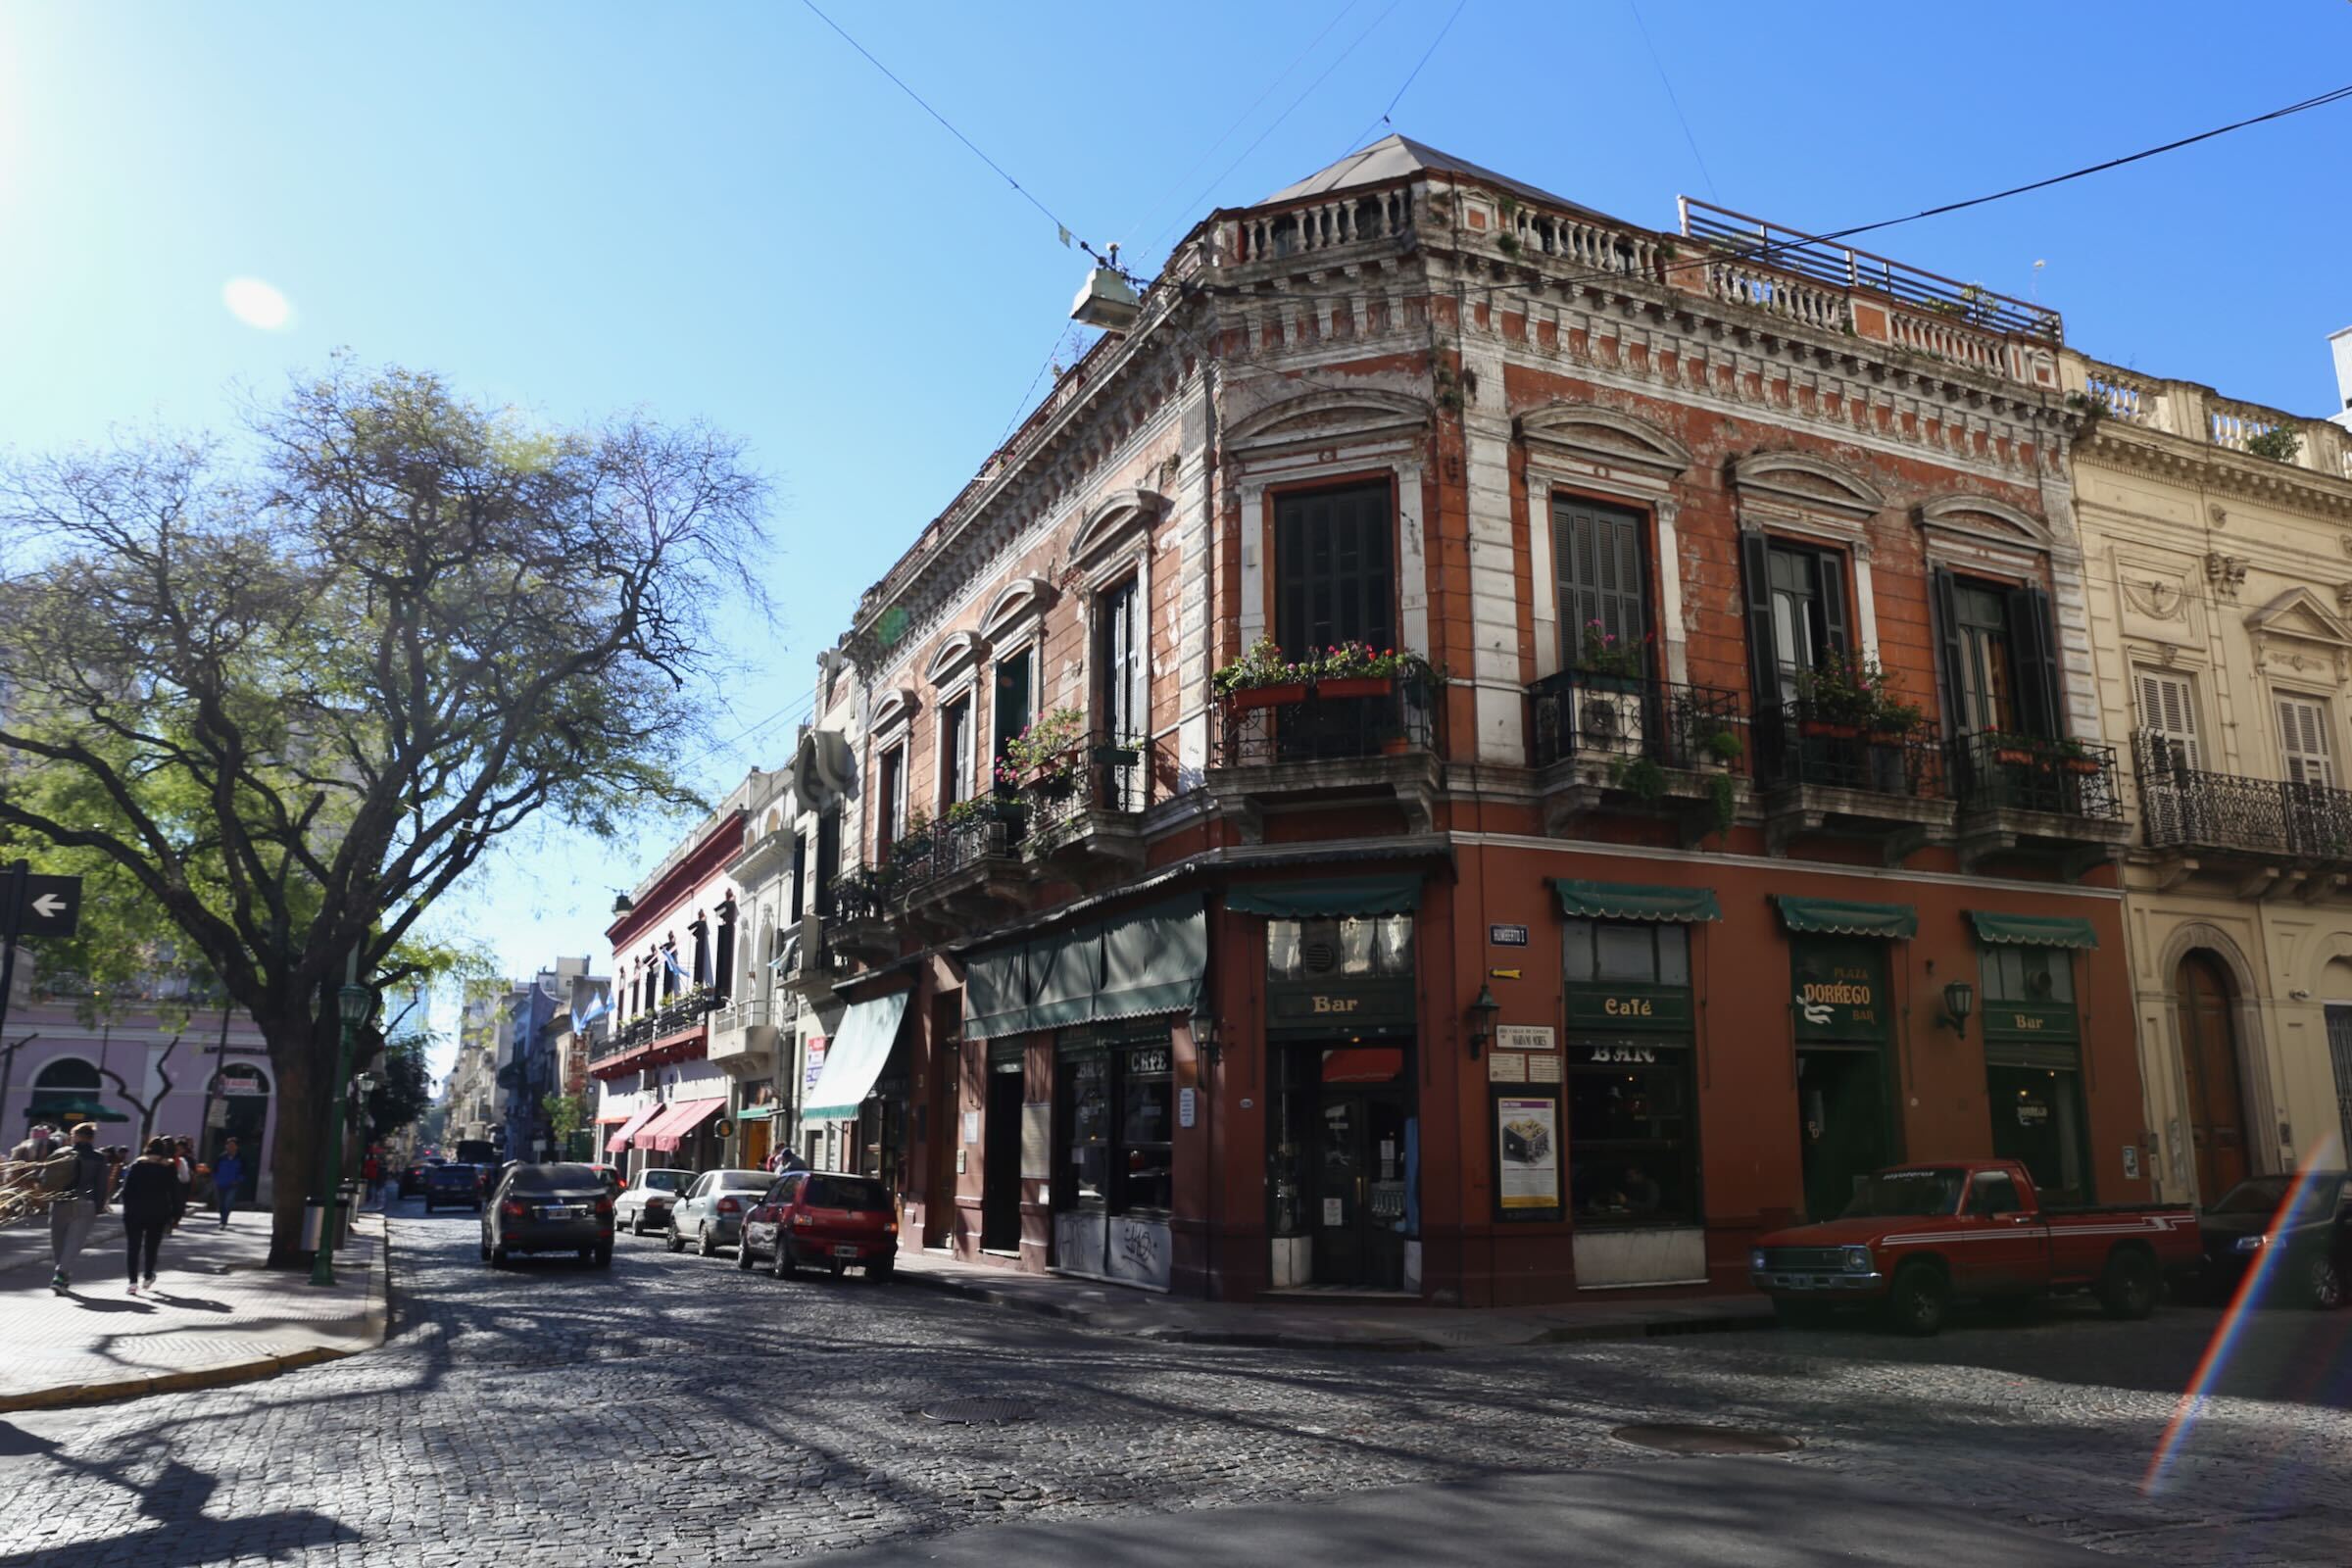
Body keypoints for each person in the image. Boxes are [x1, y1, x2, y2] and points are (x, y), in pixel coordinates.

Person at [41, 1123, 113, 1294]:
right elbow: (101, 1185)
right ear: (92, 1138)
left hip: (60, 1202)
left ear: (74, 1136)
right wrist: (99, 1206)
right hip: (85, 1202)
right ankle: (61, 1274)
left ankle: (61, 1275)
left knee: (58, 1241)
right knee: (74, 1241)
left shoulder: (61, 1154)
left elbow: (44, 1178)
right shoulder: (99, 1157)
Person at [117, 1137, 181, 1295]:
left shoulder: (137, 1165)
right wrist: (176, 1214)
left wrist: (127, 1209)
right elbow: (175, 1193)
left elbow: (126, 1190)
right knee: (152, 1246)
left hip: (134, 1212)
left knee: (133, 1247)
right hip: (158, 1212)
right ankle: (147, 1276)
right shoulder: (169, 1167)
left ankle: (132, 1283)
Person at [211, 1137, 246, 1227]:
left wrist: (238, 1180)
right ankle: (222, 1218)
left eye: (232, 1145)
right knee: (221, 1203)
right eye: (228, 1145)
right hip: (220, 1184)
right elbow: (215, 1170)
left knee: (228, 1203)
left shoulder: (240, 1158)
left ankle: (223, 1221)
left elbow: (244, 1172)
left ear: (236, 1147)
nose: (230, 1147)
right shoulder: (221, 1157)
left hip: (232, 1185)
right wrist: (216, 1179)